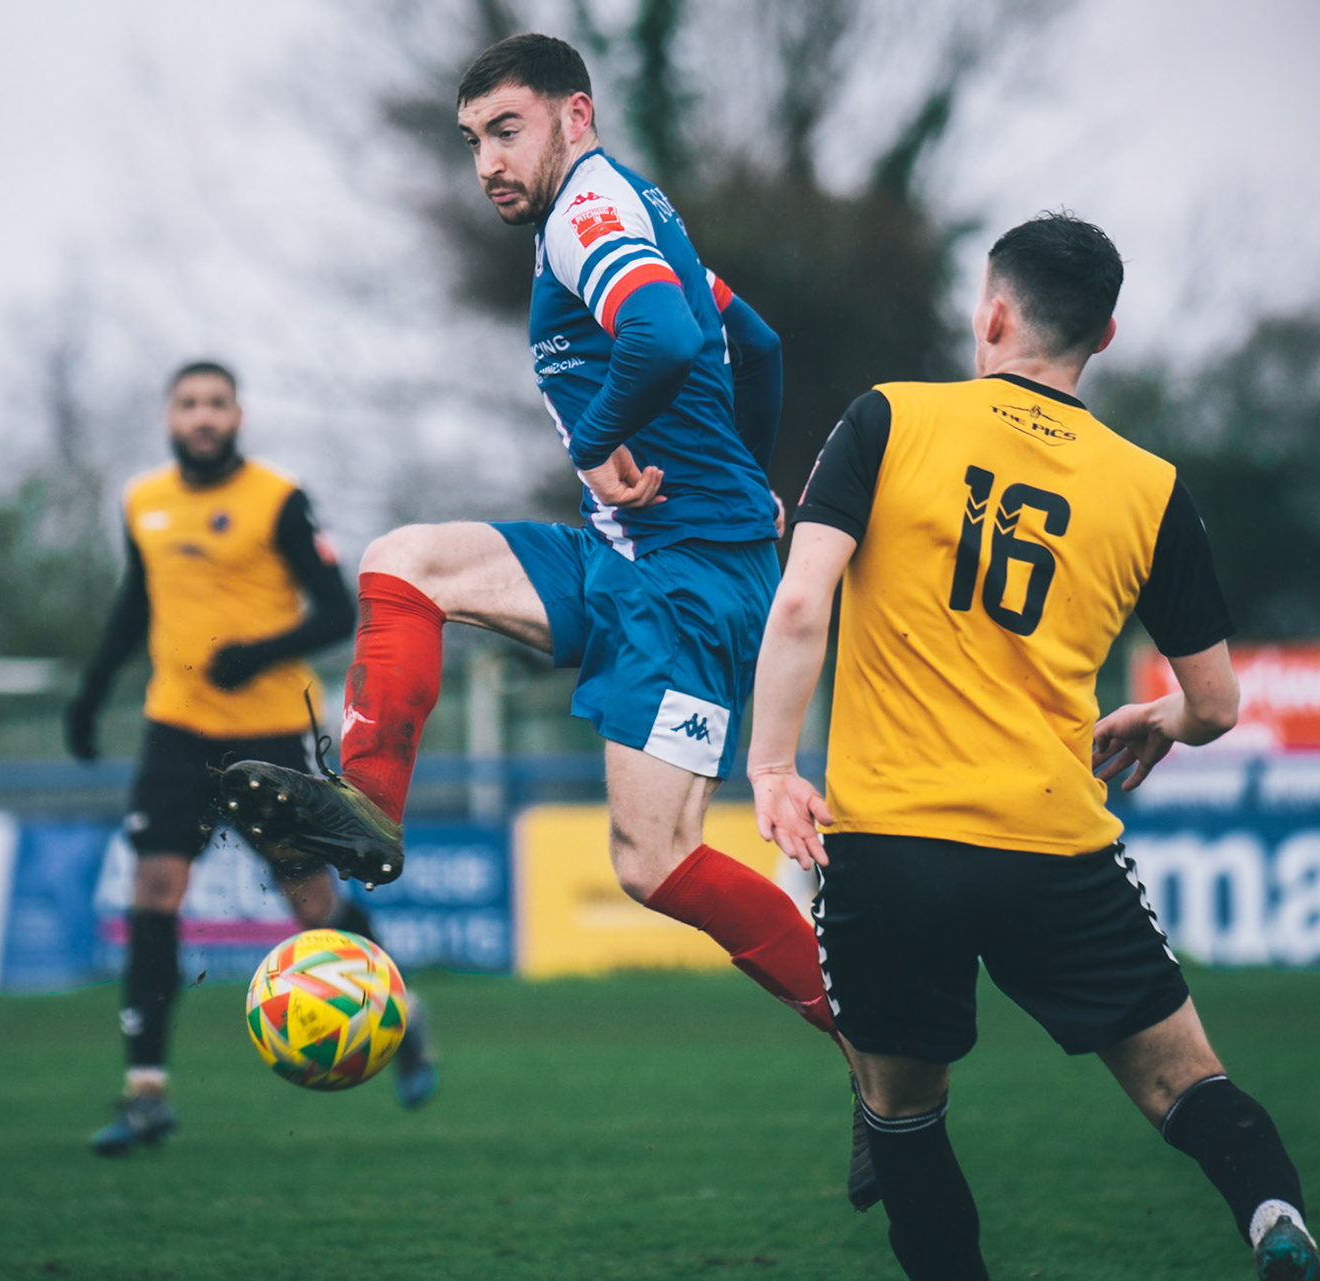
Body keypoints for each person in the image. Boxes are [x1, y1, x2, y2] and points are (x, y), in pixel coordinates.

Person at [219, 33, 839, 1057]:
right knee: (404, 561)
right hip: (629, 556)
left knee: (654, 861)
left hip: (691, 580)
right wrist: (746, 471)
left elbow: (666, 335)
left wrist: (597, 445)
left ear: (576, 115)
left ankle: (868, 1035)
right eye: (473, 141)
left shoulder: (590, 211)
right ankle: (367, 806)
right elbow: (755, 344)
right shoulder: (618, 209)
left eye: (507, 130)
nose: (488, 163)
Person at [747, 215, 1320, 1280]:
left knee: (901, 1119)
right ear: (1103, 336)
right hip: (1054, 849)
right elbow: (1217, 702)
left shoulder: (888, 418)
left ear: (992, 315)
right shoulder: (1149, 486)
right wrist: (1158, 719)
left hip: (892, 844)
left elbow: (799, 605)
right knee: (1187, 1084)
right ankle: (1274, 1218)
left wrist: (774, 766)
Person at [65, 360, 437, 1156]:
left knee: (312, 903)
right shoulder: (142, 500)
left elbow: (336, 608)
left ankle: (399, 1018)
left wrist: (256, 653)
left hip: (268, 732)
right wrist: (89, 693)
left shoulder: (278, 498)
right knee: (154, 888)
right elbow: (137, 602)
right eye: (188, 404)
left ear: (237, 415)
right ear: (169, 417)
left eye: (216, 404)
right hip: (175, 727)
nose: (202, 417)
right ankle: (145, 1091)